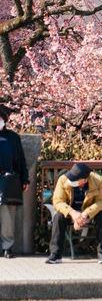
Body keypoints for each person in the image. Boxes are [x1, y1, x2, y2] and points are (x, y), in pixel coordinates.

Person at [46, 163, 102, 264]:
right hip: (70, 210)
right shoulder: (63, 179)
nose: (71, 180)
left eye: (75, 179)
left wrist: (85, 214)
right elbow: (58, 201)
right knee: (58, 217)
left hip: (89, 211)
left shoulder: (98, 180)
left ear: (84, 180)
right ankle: (55, 255)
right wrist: (73, 213)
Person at [0, 106, 29, 259]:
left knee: (7, 216)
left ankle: (7, 247)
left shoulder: (13, 137)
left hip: (8, 180)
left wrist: (25, 179)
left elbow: (21, 160)